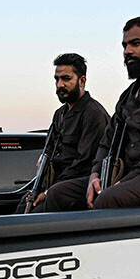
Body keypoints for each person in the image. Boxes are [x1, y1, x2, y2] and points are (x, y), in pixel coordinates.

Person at [38, 17, 140, 212]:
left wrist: (125, 181)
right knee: (59, 193)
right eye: (125, 46)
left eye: (136, 43)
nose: (127, 51)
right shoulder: (128, 96)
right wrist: (95, 175)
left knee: (107, 200)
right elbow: (106, 142)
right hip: (124, 175)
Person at [18, 53, 109, 213]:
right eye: (57, 79)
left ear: (82, 81)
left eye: (66, 79)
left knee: (49, 201)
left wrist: (47, 192)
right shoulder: (59, 114)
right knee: (24, 205)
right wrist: (40, 188)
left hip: (79, 182)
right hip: (55, 183)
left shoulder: (93, 114)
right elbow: (49, 151)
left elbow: (84, 163)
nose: (60, 84)